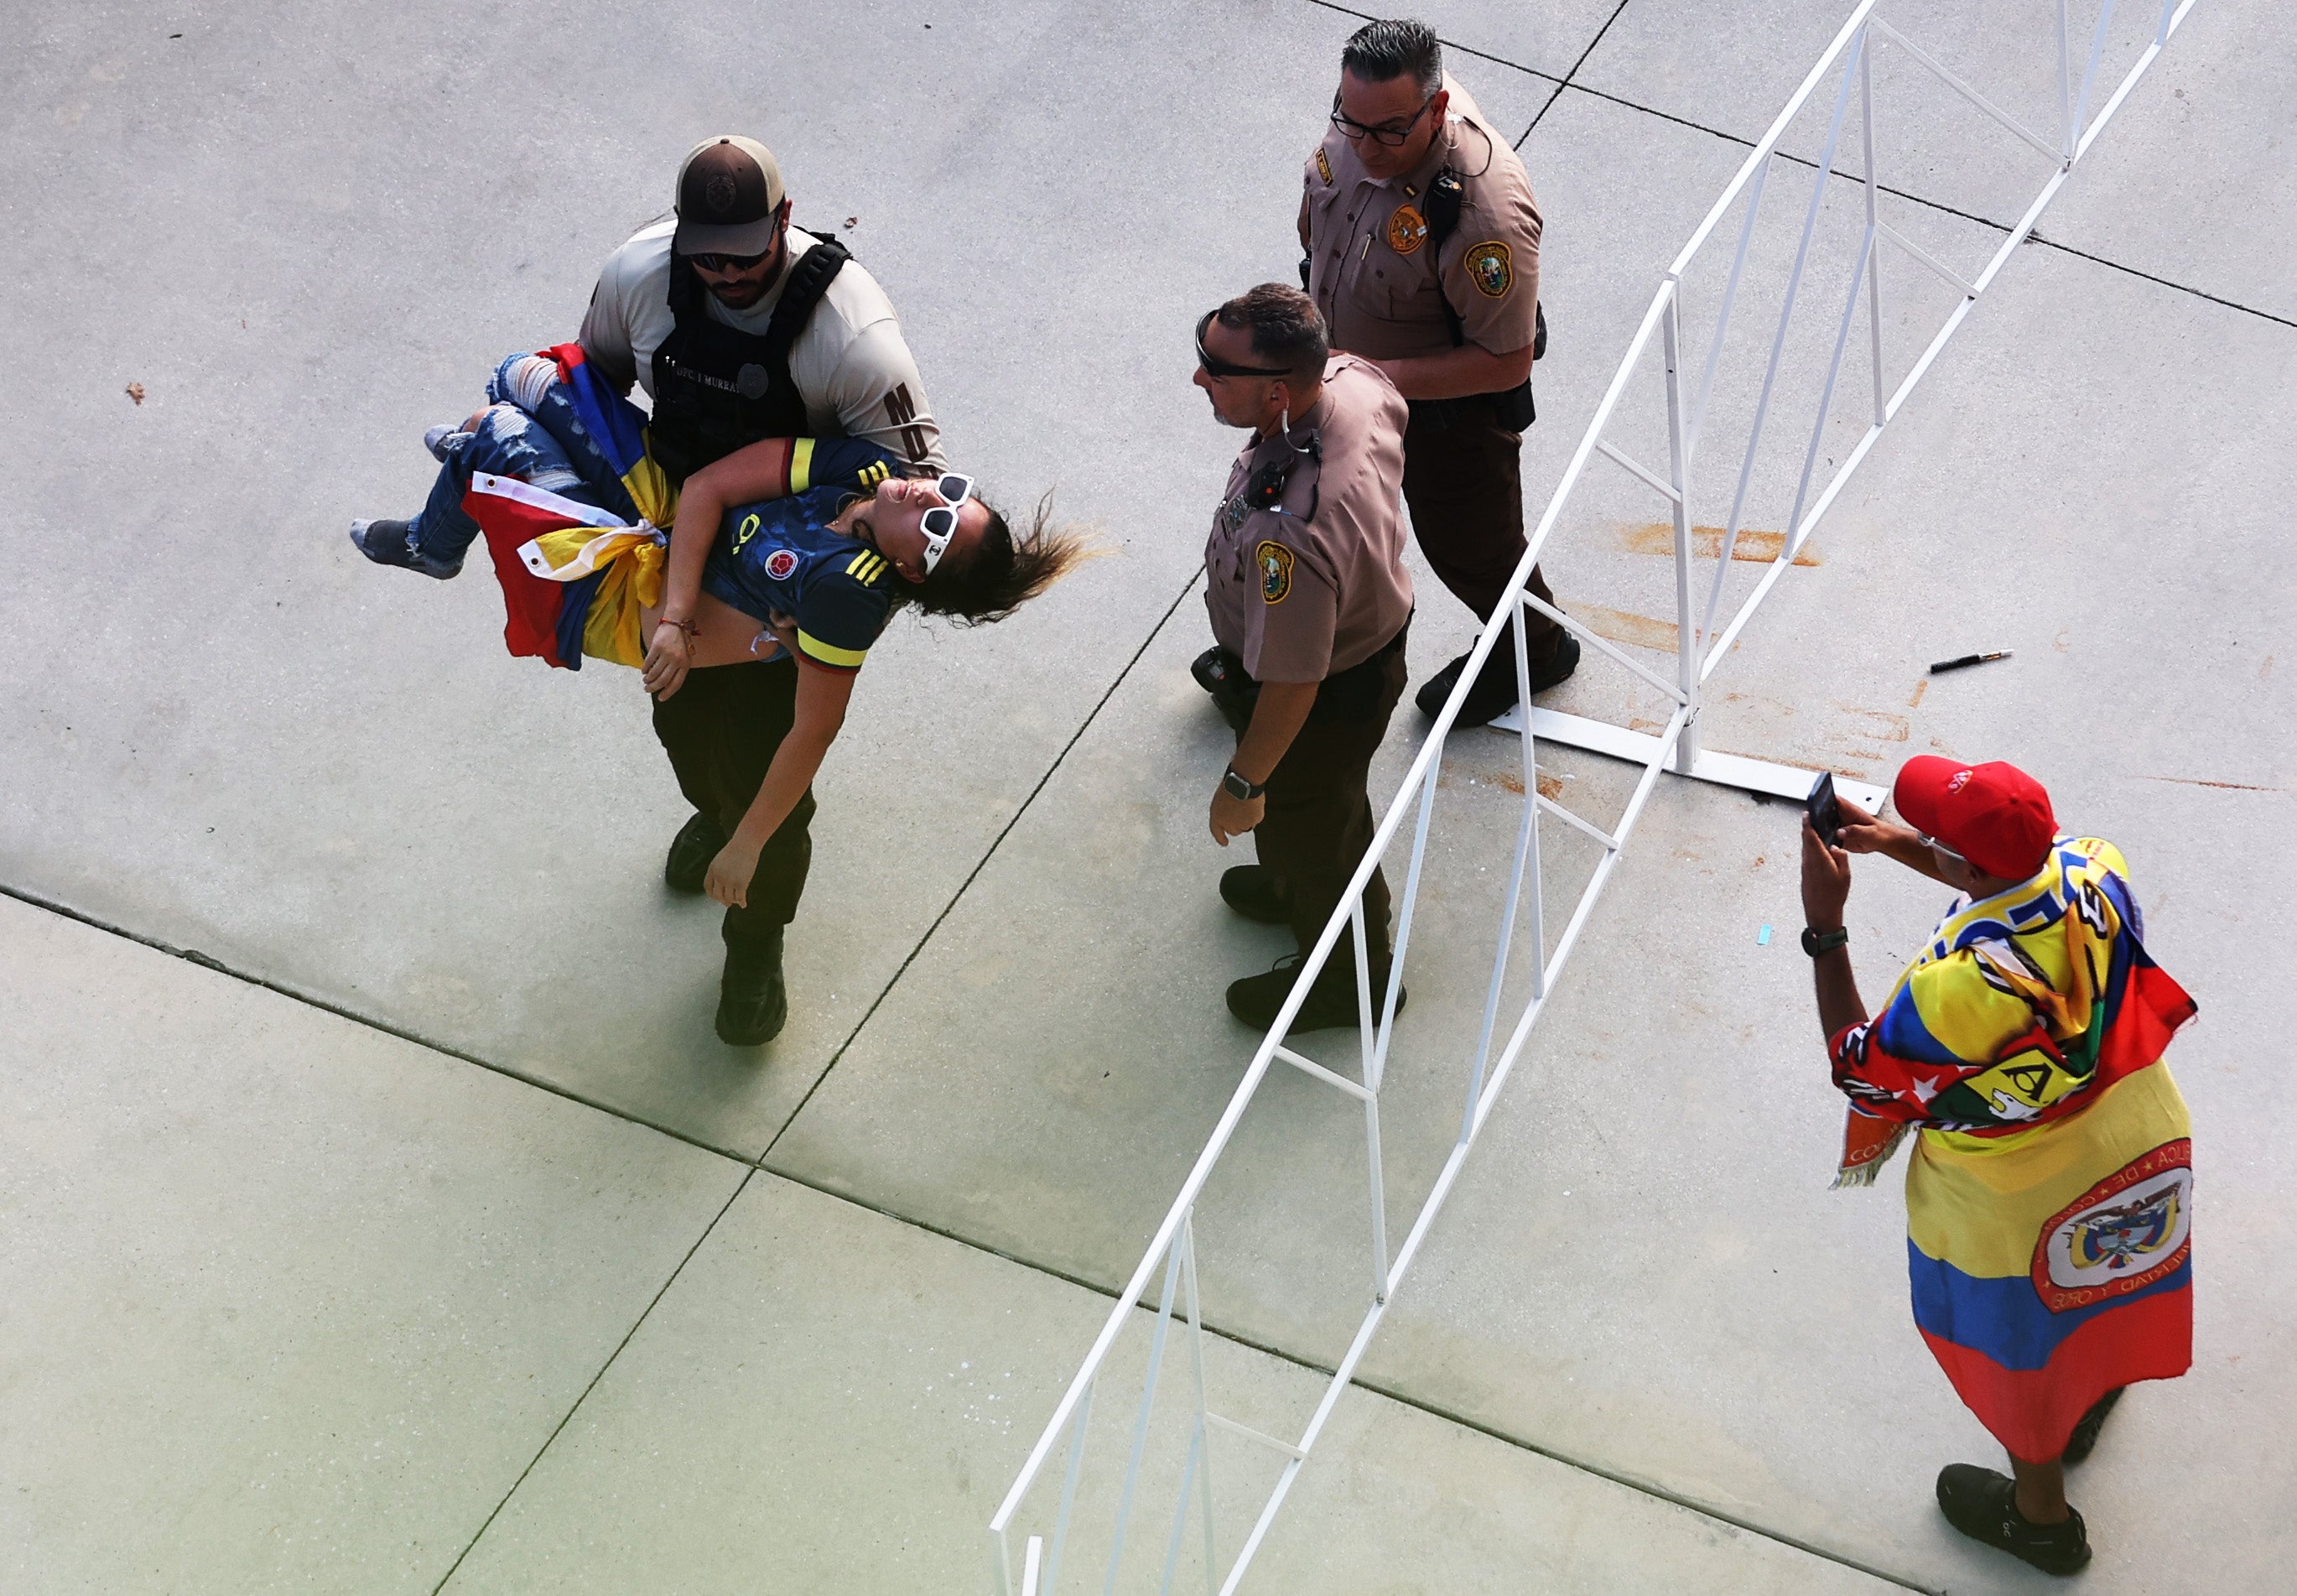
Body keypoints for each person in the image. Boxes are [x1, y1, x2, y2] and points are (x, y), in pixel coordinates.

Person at [375, 343, 1082, 1045]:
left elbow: (812, 731)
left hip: (768, 676)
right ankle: (713, 814)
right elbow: (710, 487)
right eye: (953, 495)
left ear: (911, 571)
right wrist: (679, 622)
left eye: (937, 527)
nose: (932, 493)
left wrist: (743, 844)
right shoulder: (868, 473)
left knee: (768, 819)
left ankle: (753, 945)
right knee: (686, 749)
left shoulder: (847, 592)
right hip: (686, 634)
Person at [351, 134, 949, 933]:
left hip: (771, 583)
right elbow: (590, 385)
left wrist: (822, 611)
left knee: (770, 771)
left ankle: (755, 942)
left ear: (786, 219)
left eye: (746, 254)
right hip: (668, 516)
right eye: (709, 258)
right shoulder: (639, 274)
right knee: (683, 729)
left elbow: (921, 506)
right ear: (679, 235)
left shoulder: (854, 337)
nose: (729, 274)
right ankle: (716, 808)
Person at [1800, 756, 2197, 1576]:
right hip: (2129, 1139)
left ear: (1972, 864)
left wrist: (1824, 925)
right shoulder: (2097, 864)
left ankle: (2040, 1519)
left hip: (2016, 1202)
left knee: (2015, 1349)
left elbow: (1861, 1068)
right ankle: (2083, 1398)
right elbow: (2003, 881)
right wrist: (1898, 843)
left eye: (1938, 838)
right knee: (2096, 1289)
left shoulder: (1957, 994)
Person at [1295, 18, 1574, 730]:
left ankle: (1535, 650)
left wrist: (1360, 370)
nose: (1365, 147)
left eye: (1388, 132)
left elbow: (1505, 357)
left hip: (1446, 421)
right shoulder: (1362, 121)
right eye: (1349, 123)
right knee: (1315, 518)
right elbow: (1321, 213)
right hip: (1338, 376)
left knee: (1471, 549)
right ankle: (1276, 657)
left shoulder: (1484, 214)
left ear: (1437, 108)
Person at [1193, 284, 1415, 1034]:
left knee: (1326, 832)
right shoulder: (1350, 378)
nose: (1199, 379)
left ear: (1279, 391)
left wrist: (1240, 782)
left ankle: (1352, 984)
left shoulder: (1292, 525)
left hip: (1327, 691)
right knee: (1302, 820)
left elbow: (1292, 685)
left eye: (1214, 368)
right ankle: (1288, 876)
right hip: (1367, 632)